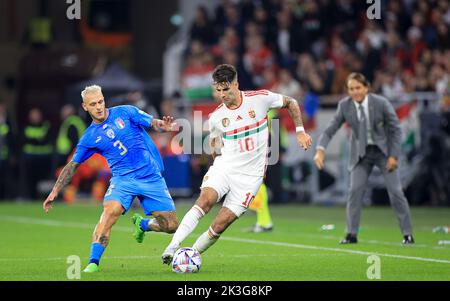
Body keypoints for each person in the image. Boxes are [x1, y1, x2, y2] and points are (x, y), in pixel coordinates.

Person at [161, 64, 312, 264]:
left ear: (236, 84)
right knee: (205, 200)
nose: (222, 94)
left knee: (220, 224)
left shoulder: (260, 99)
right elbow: (214, 143)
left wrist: (300, 130)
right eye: (218, 90)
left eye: (226, 89)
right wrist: (214, 164)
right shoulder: (216, 117)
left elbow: (291, 102)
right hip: (226, 168)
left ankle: (190, 255)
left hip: (250, 177)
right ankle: (172, 248)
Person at [43, 85, 179, 273]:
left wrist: (162, 125)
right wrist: (55, 191)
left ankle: (143, 224)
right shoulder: (89, 138)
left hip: (150, 176)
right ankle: (93, 263)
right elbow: (72, 165)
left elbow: (152, 122)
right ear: (85, 107)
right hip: (123, 180)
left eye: (100, 101)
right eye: (93, 104)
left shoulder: (125, 112)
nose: (98, 107)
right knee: (109, 214)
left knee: (171, 226)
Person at [313, 72, 415, 244]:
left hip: (384, 153)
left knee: (396, 192)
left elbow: (396, 129)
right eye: (351, 89)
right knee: (354, 192)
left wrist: (393, 155)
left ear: (366, 88)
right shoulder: (345, 106)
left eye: (358, 88)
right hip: (361, 155)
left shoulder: (381, 103)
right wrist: (320, 149)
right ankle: (351, 234)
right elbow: (330, 129)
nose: (355, 92)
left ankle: (407, 234)